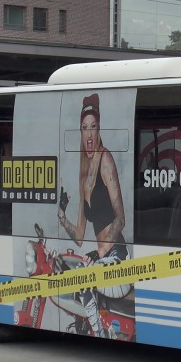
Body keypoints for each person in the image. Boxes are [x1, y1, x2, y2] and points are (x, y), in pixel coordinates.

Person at [59, 93, 127, 260]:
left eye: (93, 126)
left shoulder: (105, 159)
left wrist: (101, 251)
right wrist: (61, 215)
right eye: (84, 127)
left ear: (99, 129)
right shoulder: (83, 175)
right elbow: (80, 237)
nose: (89, 134)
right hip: (102, 256)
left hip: (115, 252)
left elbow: (120, 219)